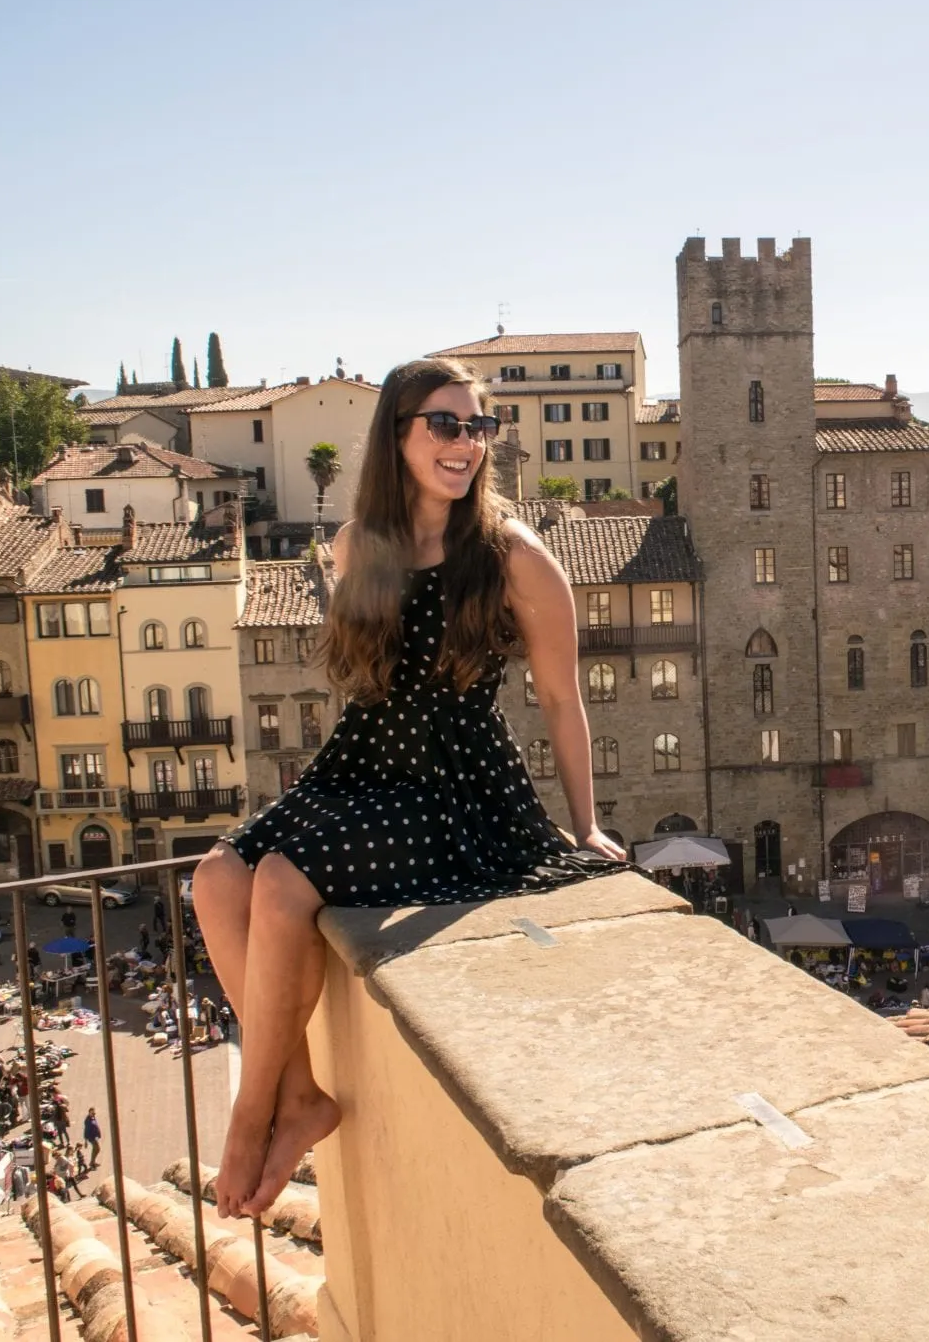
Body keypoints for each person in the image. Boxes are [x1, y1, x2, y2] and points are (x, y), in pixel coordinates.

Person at [191, 358, 627, 1220]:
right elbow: (366, 682)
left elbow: (560, 697)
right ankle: (303, 1094)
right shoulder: (357, 546)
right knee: (213, 879)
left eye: (477, 428)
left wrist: (586, 824)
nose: (465, 444)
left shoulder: (512, 557)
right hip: (363, 763)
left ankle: (251, 1112)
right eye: (445, 424)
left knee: (281, 885)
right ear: (399, 434)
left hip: (457, 787)